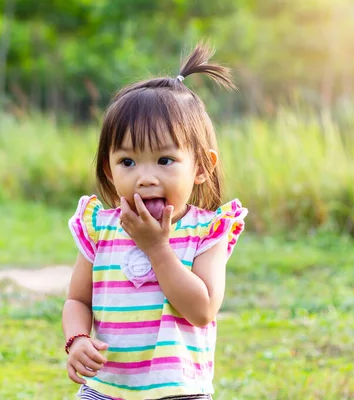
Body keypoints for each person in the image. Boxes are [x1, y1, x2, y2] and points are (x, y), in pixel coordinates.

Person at [61, 43, 248, 400]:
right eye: (128, 162)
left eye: (164, 160)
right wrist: (77, 339)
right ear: (108, 169)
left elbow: (202, 309)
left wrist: (157, 249)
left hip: (179, 391)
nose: (145, 177)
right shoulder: (100, 229)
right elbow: (77, 300)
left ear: (201, 167)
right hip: (104, 389)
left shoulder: (207, 232)